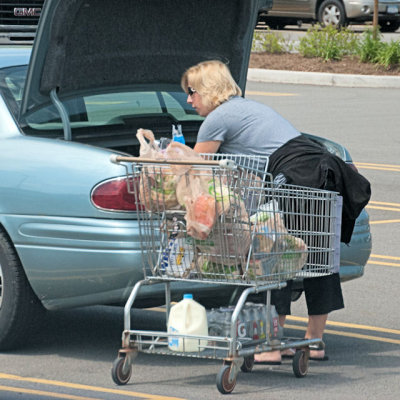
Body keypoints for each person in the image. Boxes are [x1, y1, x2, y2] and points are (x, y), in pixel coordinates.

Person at [181, 60, 371, 364]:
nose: (189, 100)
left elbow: (196, 169)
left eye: (192, 92)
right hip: (321, 170)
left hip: (295, 174)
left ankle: (269, 346)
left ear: (207, 89)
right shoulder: (248, 108)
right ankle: (315, 342)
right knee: (319, 259)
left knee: (272, 254)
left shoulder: (218, 118)